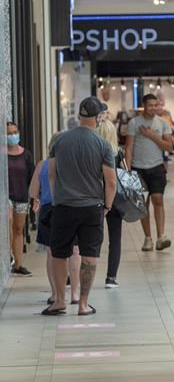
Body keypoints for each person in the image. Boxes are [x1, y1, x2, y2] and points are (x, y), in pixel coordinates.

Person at [42, 97, 117, 316]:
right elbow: (110, 182)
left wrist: (57, 198)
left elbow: (51, 174)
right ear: (98, 117)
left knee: (59, 253)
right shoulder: (103, 145)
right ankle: (83, 303)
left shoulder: (60, 141)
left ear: (79, 116)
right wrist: (107, 206)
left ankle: (59, 301)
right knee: (89, 255)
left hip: (64, 206)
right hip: (92, 206)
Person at [29, 133, 82, 304]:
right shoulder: (73, 164)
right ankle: (75, 293)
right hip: (71, 208)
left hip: (48, 211)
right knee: (75, 251)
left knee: (53, 252)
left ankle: (56, 295)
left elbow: (32, 192)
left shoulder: (42, 165)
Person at [125, 94, 174, 251]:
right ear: (144, 106)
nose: (153, 108)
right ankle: (148, 238)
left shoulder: (163, 123)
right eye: (150, 105)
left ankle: (161, 236)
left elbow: (168, 147)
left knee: (158, 199)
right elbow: (129, 147)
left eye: (156, 105)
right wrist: (128, 169)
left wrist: (152, 135)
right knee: (142, 204)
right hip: (138, 168)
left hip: (157, 167)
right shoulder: (134, 123)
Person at [97, 119, 125, 289]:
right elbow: (123, 175)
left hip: (94, 197)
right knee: (115, 239)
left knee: (88, 238)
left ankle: (75, 275)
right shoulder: (118, 153)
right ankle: (111, 277)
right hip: (115, 199)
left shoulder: (92, 152)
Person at [6, 122, 35, 276]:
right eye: (9, 133)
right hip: (5, 197)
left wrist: (35, 196)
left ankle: (18, 265)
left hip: (22, 197)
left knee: (18, 229)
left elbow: (32, 176)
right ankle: (8, 255)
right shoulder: (2, 154)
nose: (12, 135)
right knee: (8, 221)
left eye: (14, 132)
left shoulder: (26, 154)